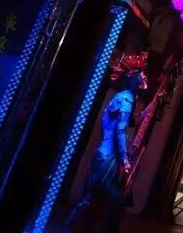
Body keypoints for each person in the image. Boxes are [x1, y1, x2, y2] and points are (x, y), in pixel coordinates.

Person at [64, 52, 148, 232]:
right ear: (133, 76)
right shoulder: (126, 98)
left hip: (105, 155)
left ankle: (72, 228)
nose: (144, 76)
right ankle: (70, 228)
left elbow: (128, 122)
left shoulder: (123, 97)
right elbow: (120, 130)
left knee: (94, 200)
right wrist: (125, 159)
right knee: (105, 200)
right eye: (142, 73)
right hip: (107, 158)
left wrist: (149, 109)